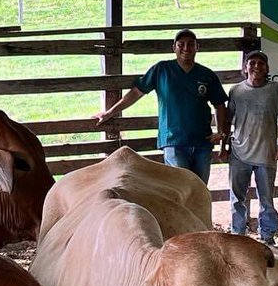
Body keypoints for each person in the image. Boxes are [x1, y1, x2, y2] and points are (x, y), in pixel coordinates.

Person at [95, 28, 228, 184]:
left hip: (202, 141)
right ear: (174, 48)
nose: (186, 48)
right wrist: (110, 112)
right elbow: (136, 92)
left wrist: (220, 132)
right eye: (181, 44)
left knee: (200, 189)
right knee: (179, 187)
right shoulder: (162, 70)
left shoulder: (206, 74)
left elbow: (219, 104)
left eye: (191, 44)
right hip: (173, 140)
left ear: (197, 47)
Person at [219, 50, 278, 245]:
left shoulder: (275, 90)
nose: (256, 67)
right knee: (237, 198)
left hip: (266, 153)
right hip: (239, 152)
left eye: (261, 63)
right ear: (245, 68)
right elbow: (227, 120)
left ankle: (267, 237)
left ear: (267, 68)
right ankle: (238, 237)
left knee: (266, 199)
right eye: (252, 63)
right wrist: (224, 146)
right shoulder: (236, 91)